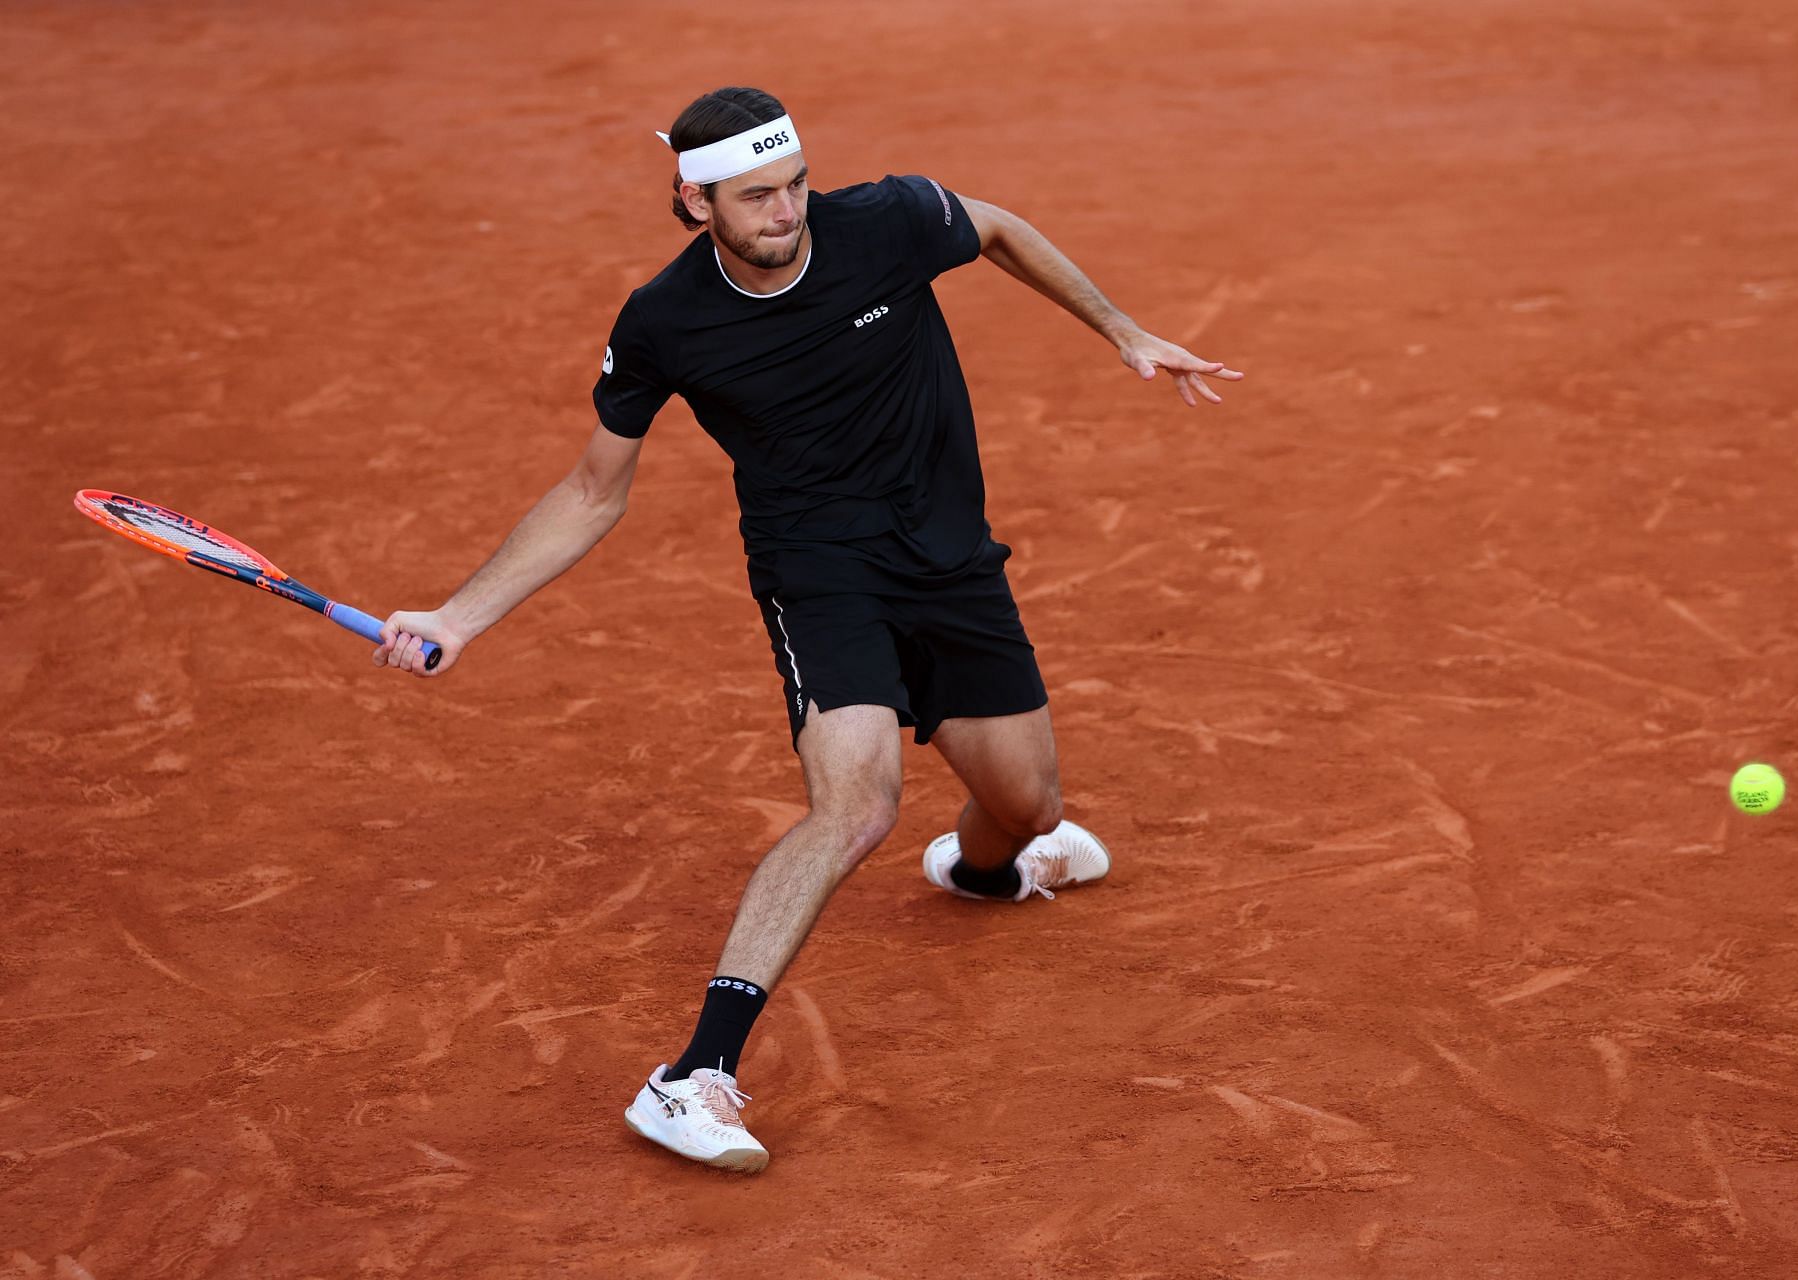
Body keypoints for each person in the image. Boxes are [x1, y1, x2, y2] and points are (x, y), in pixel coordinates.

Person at [374, 86, 1242, 1173]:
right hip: (819, 574)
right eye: (756, 196)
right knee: (856, 802)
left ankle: (984, 869)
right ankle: (691, 1075)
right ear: (694, 202)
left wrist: (1122, 329)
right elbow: (596, 490)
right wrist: (458, 614)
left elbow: (999, 227)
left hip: (952, 559)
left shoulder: (883, 221)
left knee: (1027, 807)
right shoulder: (666, 321)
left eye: (793, 185)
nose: (787, 211)